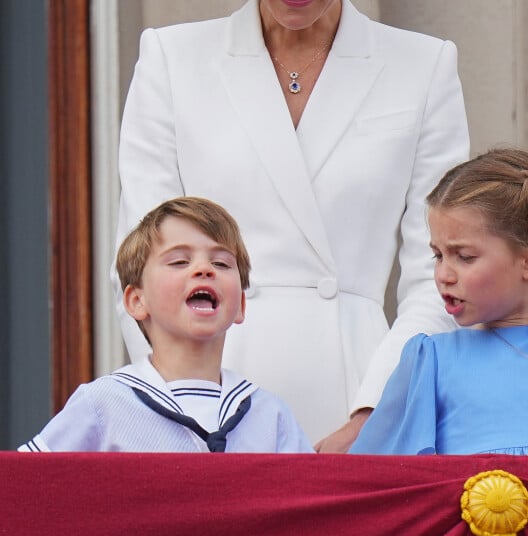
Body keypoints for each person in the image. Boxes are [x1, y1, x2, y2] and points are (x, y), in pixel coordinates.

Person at [113, 0, 470, 450]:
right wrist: (179, 409)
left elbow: (440, 277)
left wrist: (376, 413)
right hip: (204, 405)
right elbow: (140, 263)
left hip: (356, 395)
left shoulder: (423, 65)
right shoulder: (172, 58)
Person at [20, 197, 312, 453]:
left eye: (222, 264)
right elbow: (25, 486)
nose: (204, 269)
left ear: (241, 306)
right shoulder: (102, 404)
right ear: (136, 301)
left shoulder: (271, 417)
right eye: (179, 262)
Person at [350, 148, 528, 456]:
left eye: (465, 257)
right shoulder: (430, 363)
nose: (443, 274)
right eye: (438, 255)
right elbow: (376, 484)